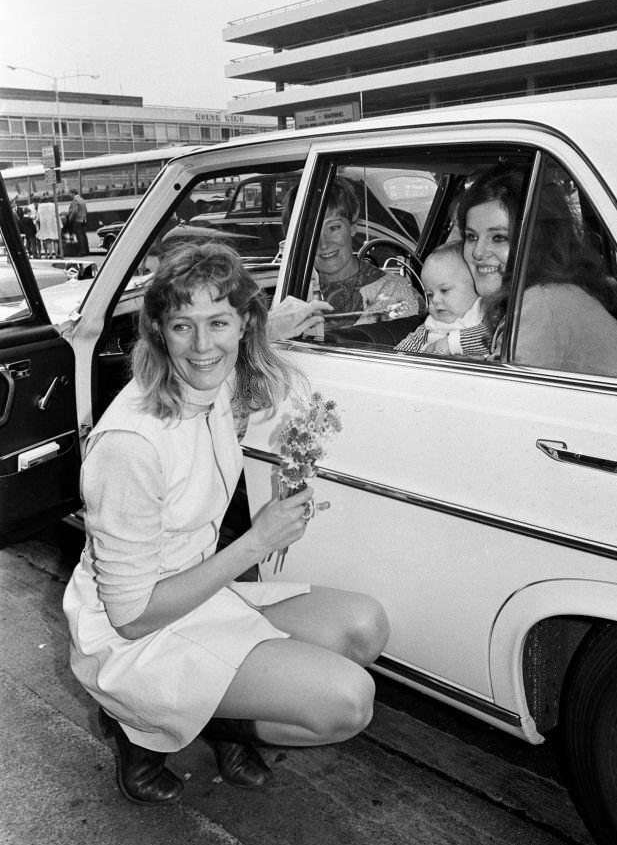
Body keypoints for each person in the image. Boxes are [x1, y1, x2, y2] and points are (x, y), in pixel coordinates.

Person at [62, 239, 389, 806]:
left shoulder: (213, 379)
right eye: (183, 325)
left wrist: (287, 318)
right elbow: (132, 618)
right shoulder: (130, 445)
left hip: (199, 590)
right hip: (133, 632)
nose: (203, 344)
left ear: (243, 325)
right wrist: (256, 543)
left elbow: (249, 339)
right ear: (158, 331)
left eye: (219, 321)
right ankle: (139, 723)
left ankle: (206, 709)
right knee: (348, 702)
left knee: (365, 625)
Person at [456, 166, 617, 380]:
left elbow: (502, 397)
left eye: (499, 238)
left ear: (539, 241)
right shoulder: (553, 294)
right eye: (471, 237)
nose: (478, 252)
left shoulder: (543, 305)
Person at [313, 178, 421, 334]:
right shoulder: (292, 289)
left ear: (353, 226)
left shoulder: (394, 292)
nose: (323, 243)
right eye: (313, 232)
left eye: (334, 228)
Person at [394, 242, 489, 357]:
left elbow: (489, 338)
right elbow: (409, 345)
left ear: (475, 286)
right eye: (430, 294)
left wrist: (450, 343)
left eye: (444, 290)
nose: (436, 300)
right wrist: (398, 357)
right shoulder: (432, 324)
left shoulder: (484, 315)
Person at [67, 188, 90, 254]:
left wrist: (70, 219)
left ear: (73, 193)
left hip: (77, 220)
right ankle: (86, 250)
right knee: (84, 236)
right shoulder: (82, 199)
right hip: (83, 220)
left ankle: (82, 251)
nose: (69, 195)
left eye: (70, 193)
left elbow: (74, 211)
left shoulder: (75, 200)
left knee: (79, 236)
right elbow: (85, 210)